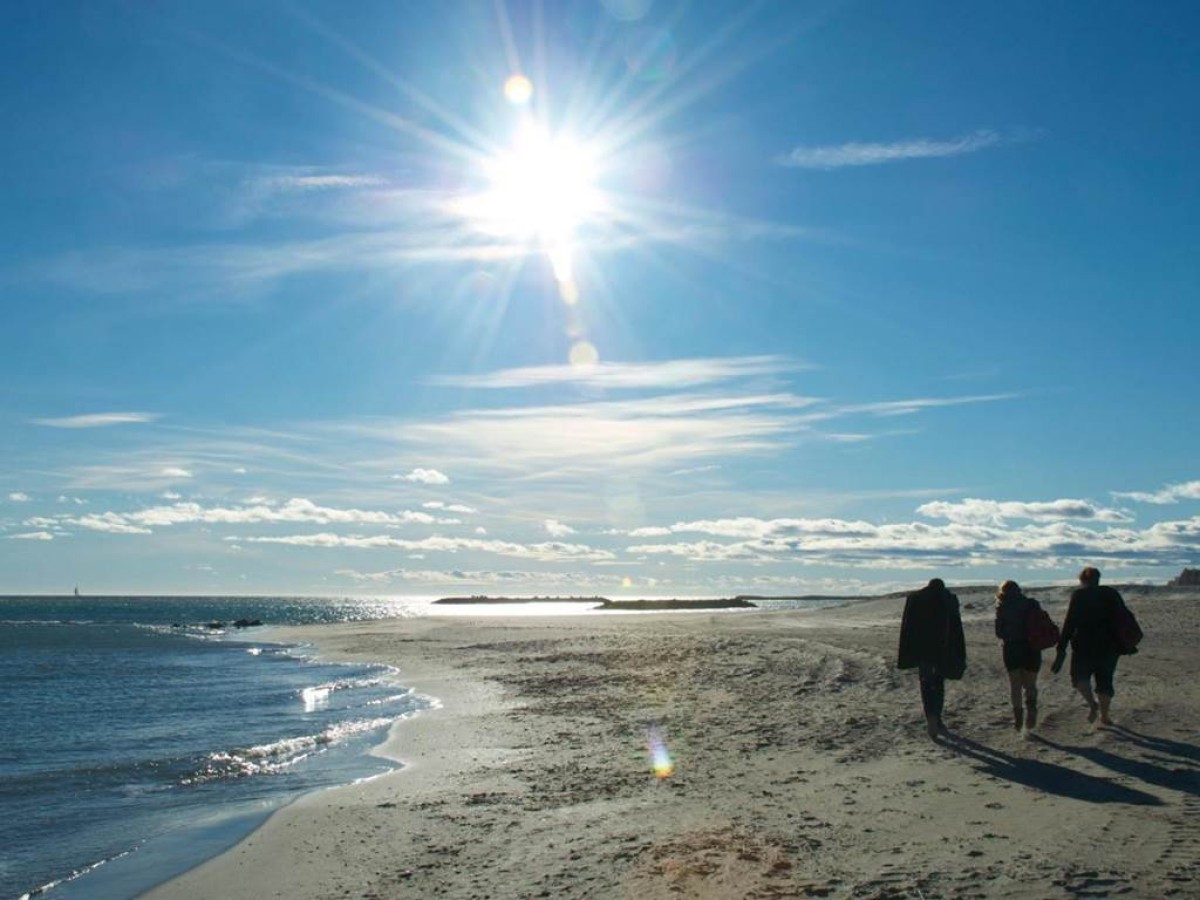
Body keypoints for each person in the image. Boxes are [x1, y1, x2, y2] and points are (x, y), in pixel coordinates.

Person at [1051, 566, 1125, 726]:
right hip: (1109, 645)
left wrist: (1061, 648)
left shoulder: (1079, 595)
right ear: (1098, 579)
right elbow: (1125, 618)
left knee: (1079, 678)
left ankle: (1092, 704)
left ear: (1082, 580)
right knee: (1105, 680)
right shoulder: (1111, 594)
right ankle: (1105, 716)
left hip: (1084, 645)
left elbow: (1069, 622)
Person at [898, 578, 966, 740]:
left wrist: (908, 653)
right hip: (943, 649)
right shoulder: (949, 598)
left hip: (923, 650)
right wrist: (958, 651)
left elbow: (908, 626)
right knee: (938, 683)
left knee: (926, 683)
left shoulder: (916, 598)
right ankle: (937, 717)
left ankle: (931, 717)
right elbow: (957, 627)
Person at [994, 580, 1041, 731]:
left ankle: (1018, 718)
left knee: (1015, 685)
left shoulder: (1002, 607)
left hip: (1012, 648)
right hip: (1032, 647)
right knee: (1030, 684)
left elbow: (999, 632)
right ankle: (1032, 708)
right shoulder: (1032, 604)